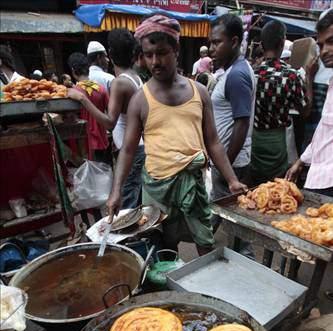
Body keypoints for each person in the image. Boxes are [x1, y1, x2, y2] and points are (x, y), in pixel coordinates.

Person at [106, 15, 246, 255]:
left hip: (192, 185)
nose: (154, 61)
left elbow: (212, 141)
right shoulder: (140, 99)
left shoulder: (199, 92)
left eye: (161, 53)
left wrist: (232, 179)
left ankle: (205, 289)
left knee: (205, 242)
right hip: (157, 188)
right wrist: (116, 191)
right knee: (164, 249)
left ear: (176, 50)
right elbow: (128, 149)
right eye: (148, 55)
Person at [69, 29, 145, 209]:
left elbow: (110, 121)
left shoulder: (120, 82)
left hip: (133, 150)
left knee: (126, 200)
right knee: (134, 197)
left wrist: (83, 99)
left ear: (110, 55)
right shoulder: (135, 78)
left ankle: (129, 236)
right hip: (137, 147)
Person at [251, 20, 311, 184]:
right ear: (282, 43)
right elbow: (305, 111)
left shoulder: (252, 74)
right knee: (276, 190)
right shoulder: (291, 75)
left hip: (253, 140)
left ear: (262, 46)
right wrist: (310, 79)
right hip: (278, 142)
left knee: (254, 190)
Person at [286, 8, 333, 198]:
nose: (325, 51)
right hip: (319, 180)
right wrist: (301, 160)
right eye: (321, 45)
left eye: (331, 41)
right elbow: (325, 130)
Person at [209, 14, 256, 201]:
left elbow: (242, 123)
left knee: (224, 213)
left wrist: (225, 167)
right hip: (228, 161)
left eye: (217, 43)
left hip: (231, 162)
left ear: (234, 41)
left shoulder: (237, 75)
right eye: (210, 43)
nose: (212, 49)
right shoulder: (232, 71)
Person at [67, 52, 109, 162]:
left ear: (73, 71)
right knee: (106, 175)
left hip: (84, 144)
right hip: (103, 141)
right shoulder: (101, 89)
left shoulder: (73, 93)